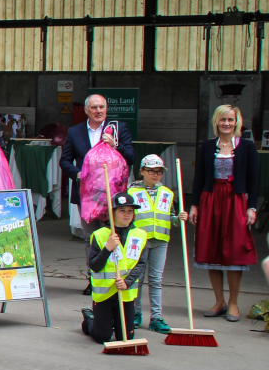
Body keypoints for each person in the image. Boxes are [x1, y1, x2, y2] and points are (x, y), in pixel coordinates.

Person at [189, 104, 259, 323]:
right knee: (212, 249)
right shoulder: (208, 146)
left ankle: (234, 303)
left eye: (231, 120)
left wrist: (252, 207)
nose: (227, 123)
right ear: (216, 122)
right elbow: (199, 177)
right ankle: (219, 301)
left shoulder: (246, 146)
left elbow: (254, 179)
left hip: (236, 200)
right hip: (210, 200)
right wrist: (194, 205)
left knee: (234, 250)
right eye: (223, 120)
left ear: (237, 122)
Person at [59, 94, 134, 295]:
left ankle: (117, 277)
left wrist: (115, 145)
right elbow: (64, 161)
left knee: (114, 235)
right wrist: (79, 175)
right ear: (86, 110)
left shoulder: (118, 129)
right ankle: (94, 279)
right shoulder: (75, 132)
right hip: (87, 196)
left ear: (106, 109)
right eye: (94, 107)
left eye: (102, 107)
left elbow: (131, 156)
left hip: (113, 195)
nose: (98, 111)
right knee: (91, 237)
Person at [126, 154, 188, 333]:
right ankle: (135, 313)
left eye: (159, 172)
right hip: (138, 241)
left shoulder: (167, 193)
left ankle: (156, 317)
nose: (155, 175)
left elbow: (171, 218)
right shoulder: (132, 191)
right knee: (136, 278)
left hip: (161, 240)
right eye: (151, 171)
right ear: (142, 171)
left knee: (156, 279)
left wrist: (178, 219)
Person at [81, 192, 148, 344]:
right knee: (102, 337)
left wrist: (127, 282)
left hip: (125, 293)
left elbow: (141, 264)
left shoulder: (140, 235)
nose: (127, 214)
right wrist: (107, 249)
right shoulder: (99, 235)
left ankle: (107, 322)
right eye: (122, 210)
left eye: (130, 210)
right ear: (113, 213)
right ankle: (89, 320)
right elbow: (94, 266)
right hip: (104, 295)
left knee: (126, 337)